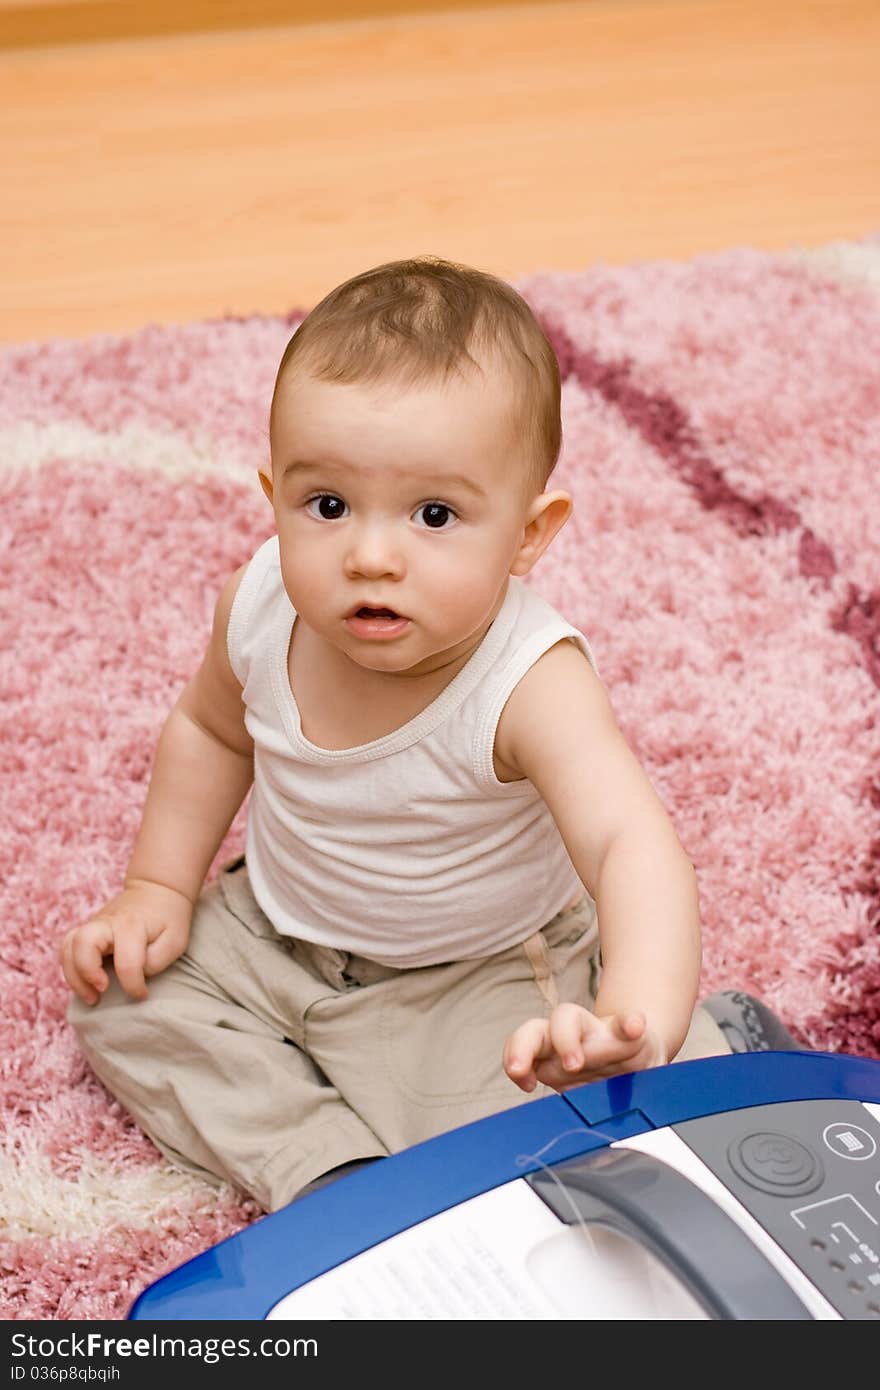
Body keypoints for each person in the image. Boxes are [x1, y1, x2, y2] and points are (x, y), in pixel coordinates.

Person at [60, 255, 740, 1213]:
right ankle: (339, 1176)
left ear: (528, 535)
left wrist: (637, 1012)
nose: (371, 556)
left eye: (434, 515)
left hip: (470, 973)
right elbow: (211, 734)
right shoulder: (258, 605)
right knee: (121, 996)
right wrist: (158, 888)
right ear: (273, 496)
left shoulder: (529, 680)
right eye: (326, 506)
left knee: (549, 1152)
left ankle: (706, 1040)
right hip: (276, 929)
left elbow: (633, 846)